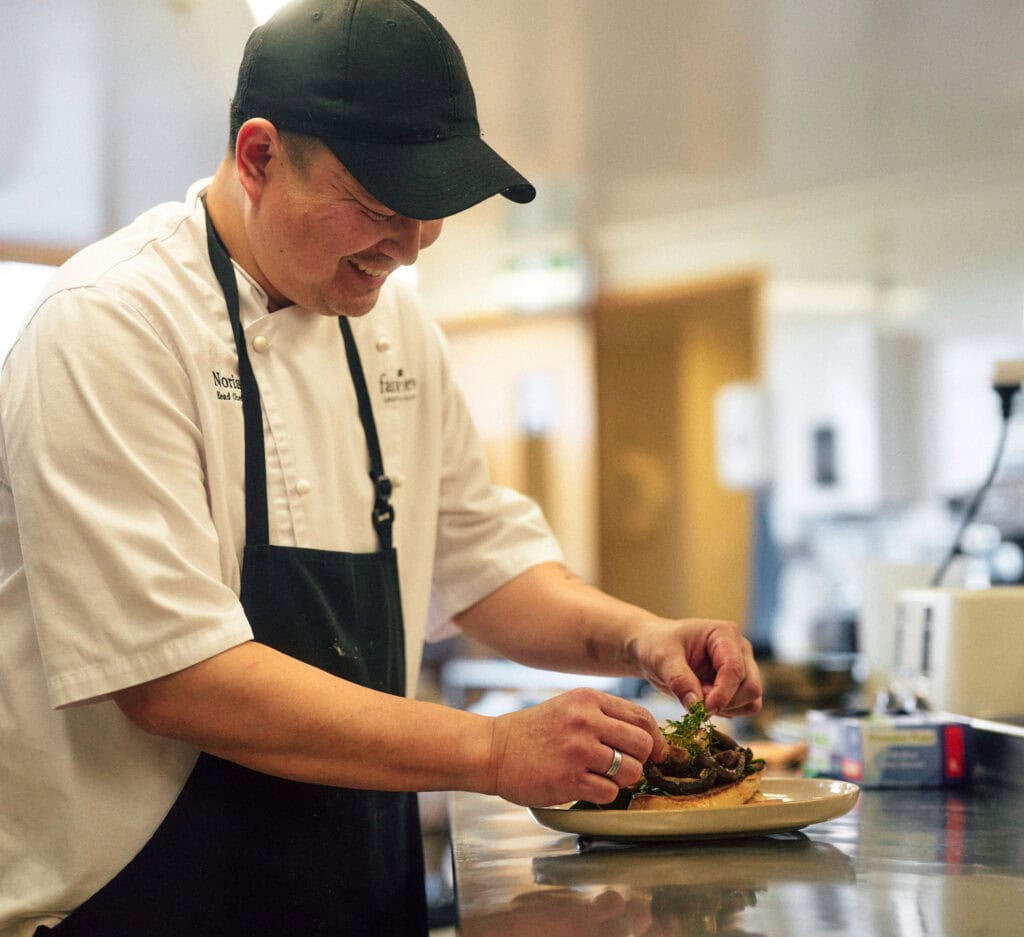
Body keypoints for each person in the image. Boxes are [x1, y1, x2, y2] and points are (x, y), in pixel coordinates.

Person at [0, 1, 762, 935]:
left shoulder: (394, 328)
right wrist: (491, 748)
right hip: (129, 904)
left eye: (431, 210)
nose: (407, 248)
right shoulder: (107, 325)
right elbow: (171, 676)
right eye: (376, 205)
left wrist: (639, 635)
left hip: (356, 893)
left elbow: (481, 564)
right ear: (258, 155)